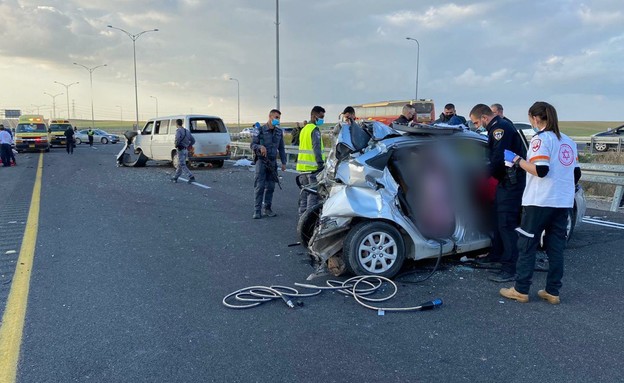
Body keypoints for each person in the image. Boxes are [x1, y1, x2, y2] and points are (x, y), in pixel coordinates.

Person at [499, 102, 581, 304]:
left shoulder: (540, 140)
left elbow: (541, 170)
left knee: (527, 245)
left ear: (535, 119)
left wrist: (517, 160)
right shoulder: (569, 142)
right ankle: (553, 291)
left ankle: (521, 290)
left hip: (539, 202)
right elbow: (576, 174)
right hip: (562, 203)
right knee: (555, 248)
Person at [470, 104, 526, 283]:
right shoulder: (497, 127)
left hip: (512, 183)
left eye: (477, 122)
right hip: (506, 182)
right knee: (497, 219)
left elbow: (498, 159)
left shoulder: (499, 129)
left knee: (506, 224)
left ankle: (510, 268)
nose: (477, 126)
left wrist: (480, 178)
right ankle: (496, 255)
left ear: (485, 118)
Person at [251, 109, 287, 219]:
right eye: (276, 117)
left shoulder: (279, 132)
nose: (277, 120)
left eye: (279, 118)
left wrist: (284, 162)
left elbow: (281, 148)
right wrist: (260, 147)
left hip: (272, 162)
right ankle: (257, 210)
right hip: (261, 161)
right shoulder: (260, 130)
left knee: (271, 187)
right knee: (260, 186)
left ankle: (267, 208)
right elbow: (252, 144)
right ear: (270, 117)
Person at [297, 106, 326, 216]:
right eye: (321, 117)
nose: (322, 119)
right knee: (313, 195)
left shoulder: (304, 129)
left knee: (304, 193)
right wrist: (320, 164)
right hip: (313, 168)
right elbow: (316, 147)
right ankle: (309, 219)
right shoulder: (314, 130)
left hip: (303, 168)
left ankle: (302, 216)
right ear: (314, 116)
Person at [171, 119, 196, 184]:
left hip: (180, 150)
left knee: (182, 164)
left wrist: (176, 145)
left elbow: (177, 139)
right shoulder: (187, 131)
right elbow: (193, 140)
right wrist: (188, 145)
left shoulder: (178, 131)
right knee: (180, 164)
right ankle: (175, 177)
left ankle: (191, 177)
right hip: (186, 150)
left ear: (177, 124)